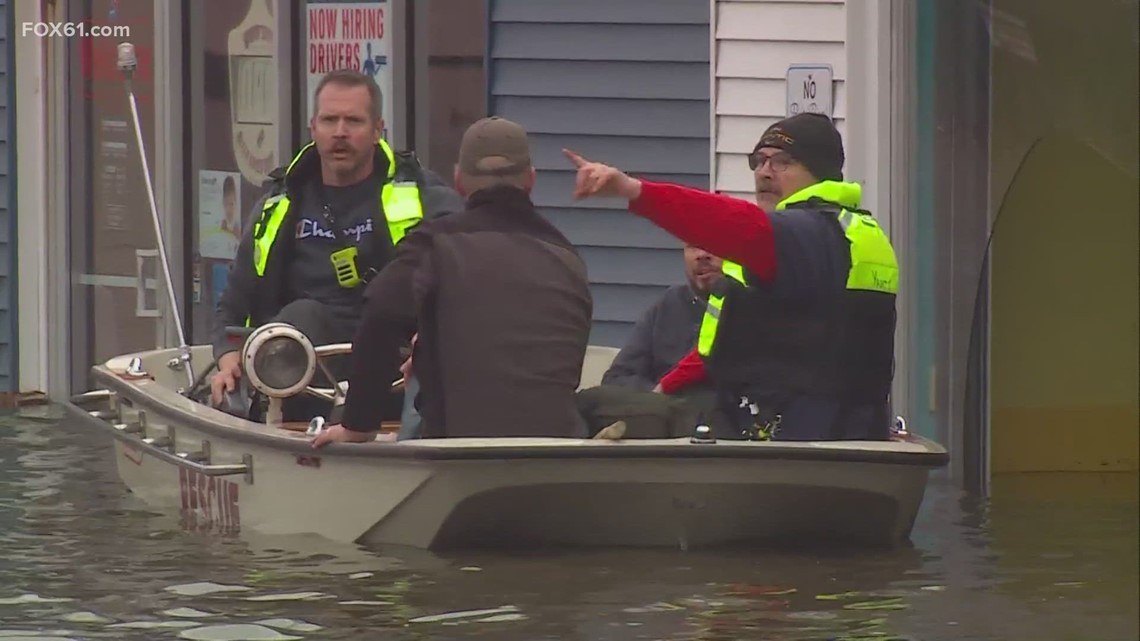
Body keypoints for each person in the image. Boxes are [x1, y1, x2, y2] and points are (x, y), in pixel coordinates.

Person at [563, 112, 899, 441]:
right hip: (856, 431)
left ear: (820, 172)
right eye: (760, 160)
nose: (765, 173)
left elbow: (728, 223)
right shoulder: (860, 234)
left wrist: (633, 190)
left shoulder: (798, 235)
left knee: (590, 405)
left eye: (782, 161)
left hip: (780, 434)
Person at [311, 116, 594, 447]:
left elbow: (381, 312)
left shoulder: (435, 244)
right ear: (530, 180)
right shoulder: (568, 260)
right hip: (556, 451)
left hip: (460, 454)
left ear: (459, 182)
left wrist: (357, 424)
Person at [209, 69, 464, 420]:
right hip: (294, 384)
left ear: (378, 130)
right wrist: (227, 361)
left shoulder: (427, 198)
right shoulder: (277, 205)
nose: (340, 132)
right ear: (314, 127)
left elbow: (467, 277)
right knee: (303, 315)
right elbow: (232, 307)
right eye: (330, 120)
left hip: (397, 380)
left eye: (353, 121)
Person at [601, 244, 722, 392]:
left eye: (711, 243)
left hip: (724, 409)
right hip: (665, 407)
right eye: (693, 246)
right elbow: (617, 378)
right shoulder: (669, 304)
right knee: (590, 399)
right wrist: (658, 396)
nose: (702, 254)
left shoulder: (750, 308)